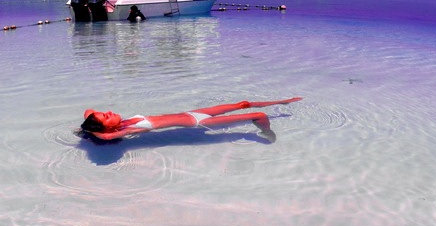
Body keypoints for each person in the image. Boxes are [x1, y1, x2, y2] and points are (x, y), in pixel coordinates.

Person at [80, 98, 302, 142]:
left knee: (242, 103)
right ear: (108, 129)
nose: (108, 112)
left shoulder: (126, 121)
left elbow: (88, 110)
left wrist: (90, 122)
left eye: (104, 111)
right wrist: (92, 131)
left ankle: (281, 102)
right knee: (259, 116)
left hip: (193, 112)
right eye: (105, 117)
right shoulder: (123, 131)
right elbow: (102, 134)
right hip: (197, 123)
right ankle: (267, 133)